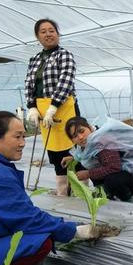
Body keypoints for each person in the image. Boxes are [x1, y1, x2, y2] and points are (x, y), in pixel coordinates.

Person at [0, 112, 97, 265]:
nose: (23, 143)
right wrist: (75, 231)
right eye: (17, 137)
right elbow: (28, 219)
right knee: (40, 241)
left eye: (24, 136)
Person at [24, 18, 78, 196]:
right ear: (37, 37)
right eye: (43, 31)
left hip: (63, 107)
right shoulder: (34, 59)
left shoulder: (64, 55)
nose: (48, 34)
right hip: (42, 109)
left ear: (58, 33)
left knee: (71, 147)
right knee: (54, 151)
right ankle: (63, 191)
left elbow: (65, 81)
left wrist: (53, 107)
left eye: (51, 30)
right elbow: (29, 84)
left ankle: (79, 189)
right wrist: (31, 107)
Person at [62, 116, 133, 202]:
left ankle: (127, 201)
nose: (80, 137)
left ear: (90, 128)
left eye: (81, 131)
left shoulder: (102, 141)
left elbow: (114, 167)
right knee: (93, 168)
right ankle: (109, 195)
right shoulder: (88, 143)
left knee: (112, 181)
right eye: (74, 136)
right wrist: (73, 158)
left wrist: (88, 173)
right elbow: (85, 155)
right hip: (126, 173)